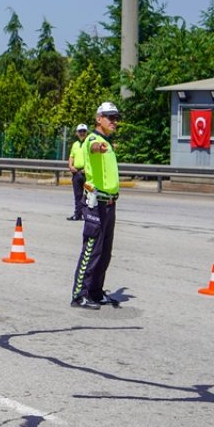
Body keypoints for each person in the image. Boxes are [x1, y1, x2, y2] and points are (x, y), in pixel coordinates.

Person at [71, 103, 122, 310]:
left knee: (104, 251)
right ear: (98, 118)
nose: (114, 121)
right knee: (91, 248)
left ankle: (96, 291)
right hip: (96, 203)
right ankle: (79, 294)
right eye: (110, 117)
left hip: (109, 202)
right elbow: (92, 146)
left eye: (116, 117)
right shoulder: (94, 139)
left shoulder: (107, 142)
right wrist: (98, 147)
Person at [66, 123, 89, 220]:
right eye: (80, 131)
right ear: (77, 133)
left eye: (84, 131)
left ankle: (88, 215)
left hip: (86, 173)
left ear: (86, 132)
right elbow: (72, 156)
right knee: (78, 195)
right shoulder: (75, 144)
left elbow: (92, 159)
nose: (82, 133)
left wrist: (87, 168)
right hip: (76, 172)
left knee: (89, 196)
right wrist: (70, 166)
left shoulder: (89, 143)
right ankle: (77, 214)